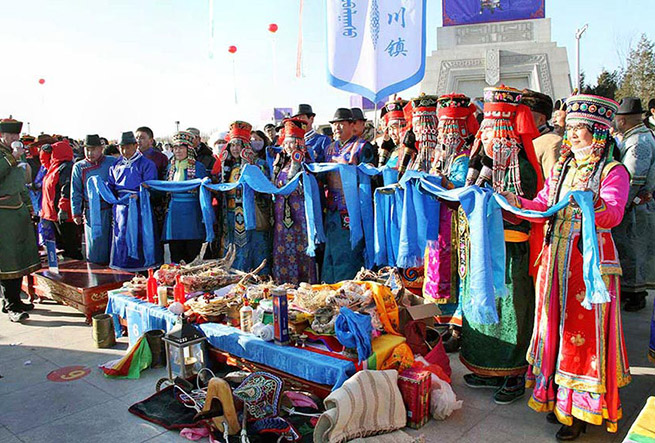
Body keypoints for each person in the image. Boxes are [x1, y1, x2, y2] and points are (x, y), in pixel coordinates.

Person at [502, 94, 631, 439]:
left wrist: (592, 204)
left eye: (579, 129)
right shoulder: (565, 167)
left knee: (580, 339)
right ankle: (559, 397)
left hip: (589, 265)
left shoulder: (612, 170)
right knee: (553, 331)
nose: (571, 134)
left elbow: (614, 214)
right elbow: (544, 203)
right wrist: (515, 203)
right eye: (569, 127)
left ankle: (578, 411)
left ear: (598, 133)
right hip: (556, 257)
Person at [460, 86, 542, 405]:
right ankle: (485, 367)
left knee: (511, 312)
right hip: (480, 248)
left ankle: (513, 373)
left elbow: (526, 210)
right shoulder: (481, 165)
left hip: (509, 251)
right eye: (485, 130)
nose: (487, 137)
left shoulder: (522, 169)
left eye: (494, 132)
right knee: (480, 308)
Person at [422, 94, 478, 352]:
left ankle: (456, 324)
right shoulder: (440, 154)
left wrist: (439, 179)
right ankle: (436, 320)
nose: (445, 133)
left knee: (454, 270)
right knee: (435, 266)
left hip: (454, 222)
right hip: (438, 220)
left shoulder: (465, 156)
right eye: (442, 127)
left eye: (449, 127)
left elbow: (459, 187)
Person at [322, 108, 375, 283]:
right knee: (330, 253)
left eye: (341, 124)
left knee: (348, 253)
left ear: (352, 125)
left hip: (351, 210)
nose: (337, 128)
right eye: (335, 124)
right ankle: (329, 291)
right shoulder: (329, 148)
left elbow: (370, 177)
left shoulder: (361, 147)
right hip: (331, 209)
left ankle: (347, 294)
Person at [612, 97, 655, 311]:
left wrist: (620, 205)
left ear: (622, 121)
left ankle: (635, 294)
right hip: (636, 204)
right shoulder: (639, 136)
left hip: (635, 205)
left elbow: (632, 178)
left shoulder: (638, 142)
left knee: (632, 250)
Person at [0, 118, 40, 322]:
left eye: (17, 136)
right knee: (8, 259)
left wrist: (30, 206)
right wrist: (12, 158)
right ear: (2, 136)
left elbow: (20, 183)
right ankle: (11, 304)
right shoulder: (4, 156)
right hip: (4, 214)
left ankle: (15, 299)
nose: (16, 139)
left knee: (21, 254)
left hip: (18, 210)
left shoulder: (13, 155)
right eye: (12, 136)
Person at [219, 121, 271, 274]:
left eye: (239, 145)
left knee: (254, 248)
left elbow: (264, 189)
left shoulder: (259, 165)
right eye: (232, 145)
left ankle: (257, 279)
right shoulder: (227, 167)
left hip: (251, 215)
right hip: (230, 215)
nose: (235, 149)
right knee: (232, 248)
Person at [272, 118, 317, 285]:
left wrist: (295, 167)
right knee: (282, 251)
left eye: (292, 143)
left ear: (299, 143)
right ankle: (284, 286)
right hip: (281, 218)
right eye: (286, 143)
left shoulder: (307, 161)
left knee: (301, 252)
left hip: (300, 216)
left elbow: (308, 185)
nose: (288, 146)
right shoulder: (280, 161)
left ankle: (304, 286)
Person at [107, 131, 158, 271]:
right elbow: (111, 185)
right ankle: (123, 267)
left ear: (135, 146)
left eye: (128, 146)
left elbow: (152, 186)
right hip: (121, 209)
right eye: (121, 147)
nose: (124, 150)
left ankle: (143, 269)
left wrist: (140, 195)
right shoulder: (115, 165)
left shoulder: (146, 164)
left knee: (141, 236)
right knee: (121, 237)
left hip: (140, 208)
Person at [70, 134, 117, 265]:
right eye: (87, 149)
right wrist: (76, 213)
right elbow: (76, 191)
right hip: (92, 213)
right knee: (95, 247)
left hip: (111, 210)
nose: (90, 153)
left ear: (101, 148)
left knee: (113, 246)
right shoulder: (79, 167)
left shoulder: (111, 162)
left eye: (93, 149)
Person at [163, 131, 208, 264]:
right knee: (176, 251)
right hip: (174, 213)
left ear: (189, 149)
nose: (178, 151)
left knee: (192, 251)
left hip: (192, 213)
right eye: (175, 148)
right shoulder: (170, 167)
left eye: (181, 147)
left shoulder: (198, 167)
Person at [40, 138, 83, 260]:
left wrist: (63, 208)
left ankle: (77, 269)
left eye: (53, 151)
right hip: (52, 212)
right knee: (61, 246)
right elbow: (44, 162)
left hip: (62, 214)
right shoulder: (54, 167)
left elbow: (66, 189)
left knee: (70, 245)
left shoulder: (66, 167)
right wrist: (44, 151)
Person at [522, 89, 562, 178]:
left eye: (525, 115)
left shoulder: (551, 142)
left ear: (541, 120)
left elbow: (553, 183)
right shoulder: (520, 141)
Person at [378, 99, 414, 176]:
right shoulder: (392, 151)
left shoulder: (412, 153)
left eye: (395, 128)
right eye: (390, 129)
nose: (391, 133)